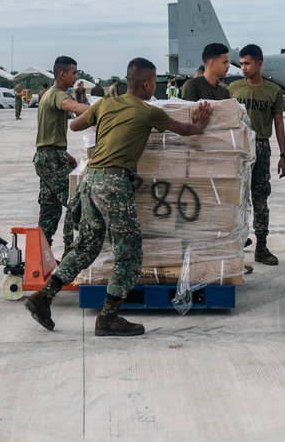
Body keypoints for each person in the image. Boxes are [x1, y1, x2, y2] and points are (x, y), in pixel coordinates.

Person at [24, 58, 213, 337]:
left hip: (91, 182)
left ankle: (43, 297)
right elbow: (184, 130)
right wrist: (199, 125)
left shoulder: (104, 103)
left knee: (86, 247)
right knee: (129, 255)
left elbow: (75, 126)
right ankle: (109, 317)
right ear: (147, 84)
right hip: (114, 184)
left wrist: (104, 122)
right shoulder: (148, 111)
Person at [228, 44, 285, 266]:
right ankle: (237, 242)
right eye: (241, 63)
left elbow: (280, 125)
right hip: (238, 148)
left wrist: (284, 154)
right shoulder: (232, 89)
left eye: (247, 63)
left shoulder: (273, 91)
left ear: (259, 64)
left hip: (261, 147)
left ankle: (261, 246)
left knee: (260, 197)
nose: (243, 67)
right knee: (236, 197)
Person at [33, 56, 91, 256]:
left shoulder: (50, 94)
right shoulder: (57, 95)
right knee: (75, 202)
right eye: (74, 73)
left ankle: (39, 258)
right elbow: (73, 107)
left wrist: (64, 153)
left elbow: (49, 133)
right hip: (51, 159)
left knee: (49, 210)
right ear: (62, 74)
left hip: (49, 155)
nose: (76, 77)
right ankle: (70, 253)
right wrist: (105, 110)